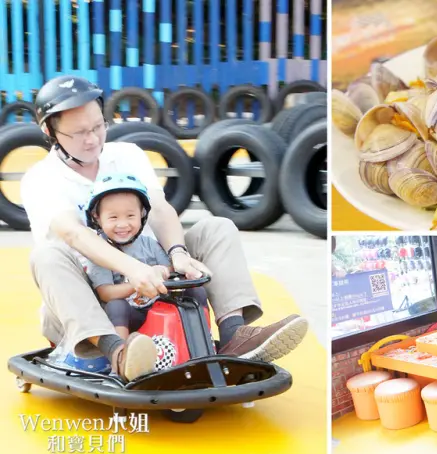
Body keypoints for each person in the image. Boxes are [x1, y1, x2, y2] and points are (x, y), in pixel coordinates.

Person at [21, 76, 308, 383]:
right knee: (46, 255)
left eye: (97, 126)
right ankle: (117, 352)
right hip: (90, 301)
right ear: (49, 131)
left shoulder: (127, 155)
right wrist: (133, 270)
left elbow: (158, 209)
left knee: (216, 227)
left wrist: (178, 253)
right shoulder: (41, 179)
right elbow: (74, 234)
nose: (92, 139)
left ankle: (234, 335)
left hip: (154, 282)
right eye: (79, 133)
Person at [84, 173, 208, 346]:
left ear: (142, 215)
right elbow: (106, 293)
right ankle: (122, 357)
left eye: (130, 216)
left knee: (196, 292)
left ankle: (203, 344)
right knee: (115, 306)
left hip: (158, 307)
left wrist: (164, 271)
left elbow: (170, 270)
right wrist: (139, 282)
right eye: (113, 217)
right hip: (129, 315)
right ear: (97, 217)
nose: (122, 224)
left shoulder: (148, 244)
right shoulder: (100, 251)